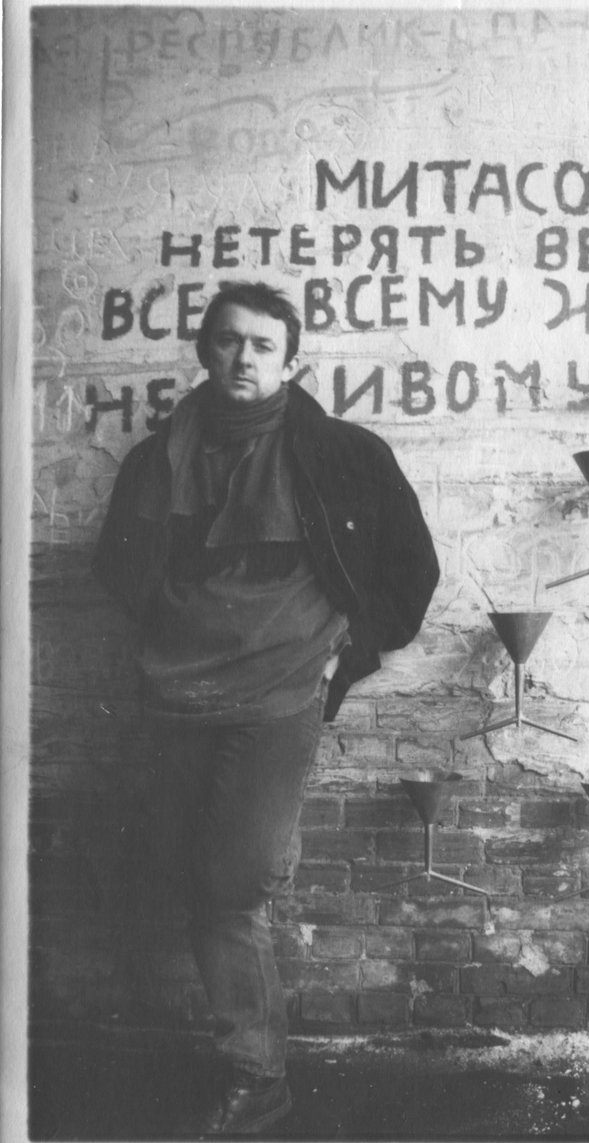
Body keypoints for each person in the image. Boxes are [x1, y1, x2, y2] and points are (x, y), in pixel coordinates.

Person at [92, 280, 439, 1134]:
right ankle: (240, 1056)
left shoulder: (345, 456)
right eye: (228, 341)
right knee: (178, 870)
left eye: (261, 345)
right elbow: (118, 567)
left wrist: (345, 655)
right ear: (206, 351)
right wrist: (172, 626)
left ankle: (257, 1076)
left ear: (292, 361)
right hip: (174, 691)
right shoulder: (155, 458)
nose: (243, 358)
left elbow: (411, 570)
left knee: (234, 882)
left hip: (277, 695)